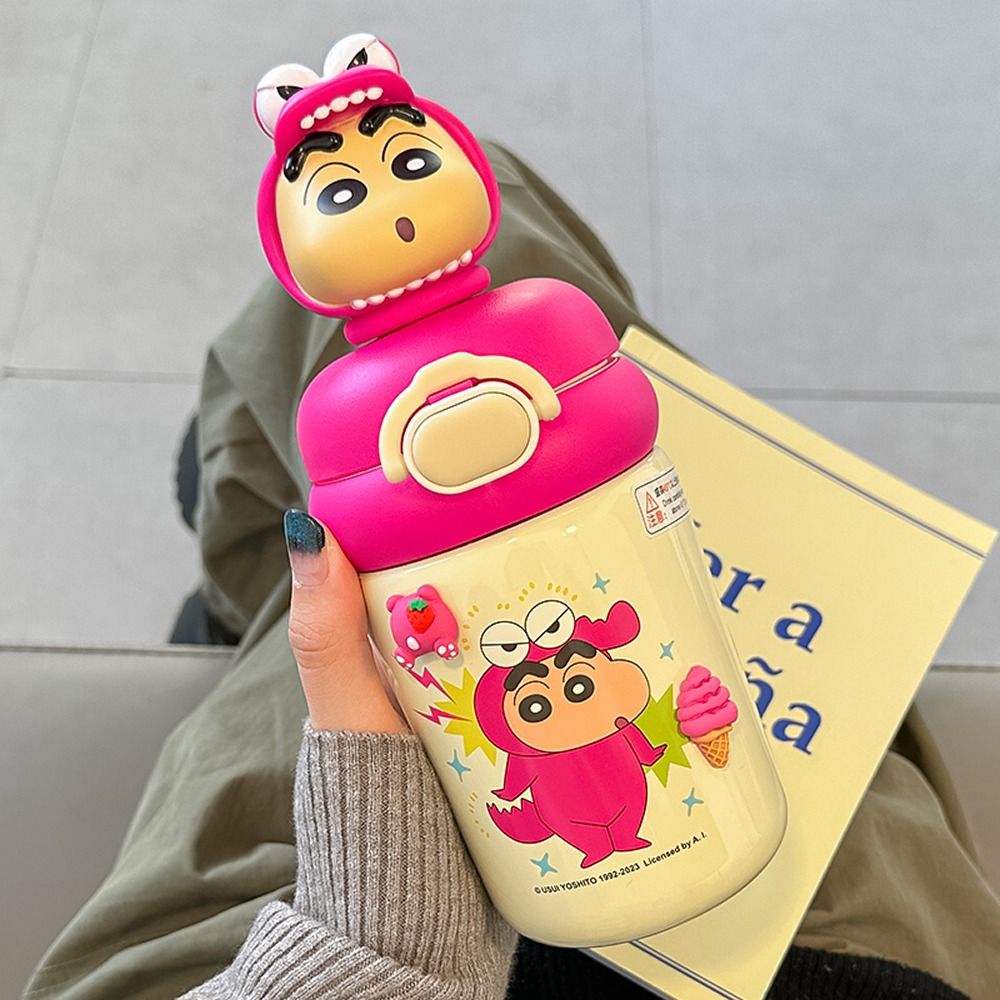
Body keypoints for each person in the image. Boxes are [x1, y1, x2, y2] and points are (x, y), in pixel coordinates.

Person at [23, 139, 1000, 1000]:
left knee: (319, 526)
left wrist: (378, 955)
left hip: (311, 935)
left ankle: (233, 559)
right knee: (503, 262)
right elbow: (654, 729)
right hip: (826, 953)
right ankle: (235, 529)